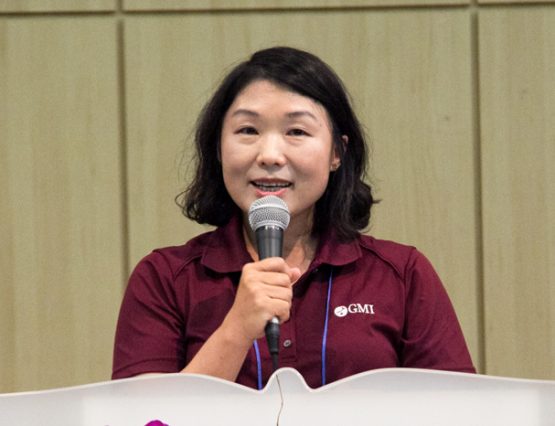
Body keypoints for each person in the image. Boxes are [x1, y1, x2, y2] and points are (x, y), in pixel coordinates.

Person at [112, 46, 475, 390]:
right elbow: (145, 420)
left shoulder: (401, 274)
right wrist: (236, 330)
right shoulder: (165, 278)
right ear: (218, 148)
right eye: (248, 130)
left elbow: (460, 412)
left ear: (336, 153)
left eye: (296, 132)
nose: (270, 155)